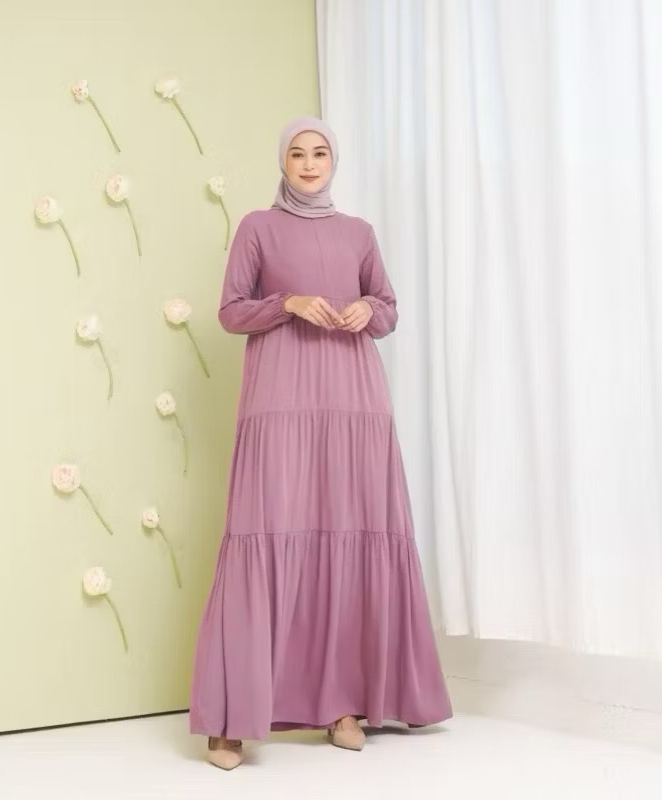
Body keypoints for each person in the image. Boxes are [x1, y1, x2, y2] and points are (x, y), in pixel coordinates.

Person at [189, 117, 452, 770]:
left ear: (334, 161)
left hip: (353, 400)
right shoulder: (258, 227)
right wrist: (288, 303)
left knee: (347, 533)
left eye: (321, 153)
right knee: (267, 530)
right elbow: (230, 310)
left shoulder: (358, 232)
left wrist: (369, 310)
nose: (310, 164)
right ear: (283, 162)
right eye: (298, 154)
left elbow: (388, 307)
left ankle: (344, 704)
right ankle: (229, 721)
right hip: (281, 399)